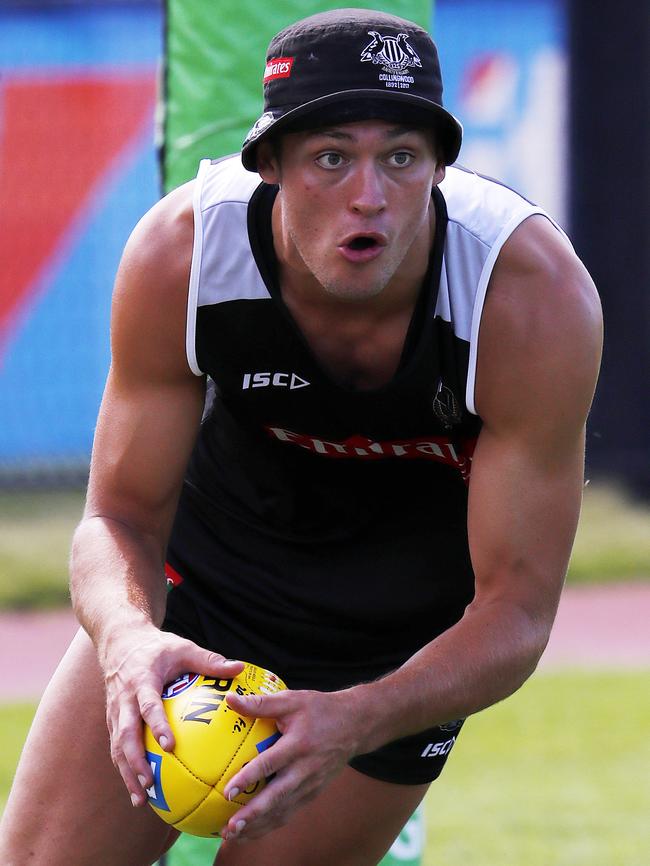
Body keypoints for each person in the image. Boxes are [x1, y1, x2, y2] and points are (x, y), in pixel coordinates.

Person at [0, 8, 602, 866]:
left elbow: (516, 611)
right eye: (331, 157)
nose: (370, 195)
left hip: (399, 652)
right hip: (200, 602)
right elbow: (117, 519)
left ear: (438, 165)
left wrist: (363, 714)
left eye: (401, 157)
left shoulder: (528, 296)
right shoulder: (185, 252)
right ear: (270, 164)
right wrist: (129, 640)